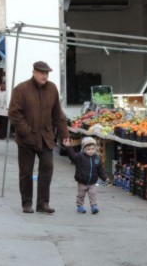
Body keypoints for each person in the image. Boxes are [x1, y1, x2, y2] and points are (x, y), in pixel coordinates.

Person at [9, 61, 70, 214]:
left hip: (45, 137)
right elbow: (14, 114)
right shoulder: (21, 89)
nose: (44, 76)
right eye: (42, 73)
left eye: (47, 73)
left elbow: (58, 113)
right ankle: (27, 203)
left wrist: (64, 134)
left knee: (47, 168)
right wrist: (27, 131)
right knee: (26, 172)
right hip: (26, 138)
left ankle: (43, 203)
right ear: (34, 72)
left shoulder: (52, 88)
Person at [64, 136, 108, 214]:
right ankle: (80, 206)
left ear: (95, 149)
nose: (90, 151)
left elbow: (100, 170)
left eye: (92, 149)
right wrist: (68, 147)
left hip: (92, 182)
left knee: (93, 194)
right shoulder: (80, 156)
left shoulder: (97, 158)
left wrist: (105, 177)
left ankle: (94, 206)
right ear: (84, 149)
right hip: (82, 181)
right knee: (81, 195)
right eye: (88, 149)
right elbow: (72, 157)